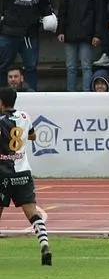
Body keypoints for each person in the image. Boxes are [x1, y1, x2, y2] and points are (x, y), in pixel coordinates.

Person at [0, 87, 51, 265]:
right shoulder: (24, 117)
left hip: (3, 174)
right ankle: (44, 243)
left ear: (1, 102)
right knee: (32, 213)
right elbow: (33, 136)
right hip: (23, 172)